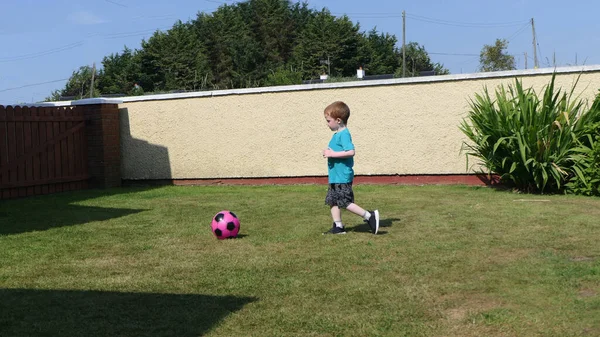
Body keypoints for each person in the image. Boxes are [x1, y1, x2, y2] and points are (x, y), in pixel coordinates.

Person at [321, 101, 379, 235]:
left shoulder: (344, 134)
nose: (327, 123)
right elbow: (337, 151)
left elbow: (351, 151)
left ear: (339, 120)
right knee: (332, 200)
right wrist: (328, 152)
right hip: (335, 176)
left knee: (345, 202)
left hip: (342, 176)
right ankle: (338, 227)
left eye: (328, 120)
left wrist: (332, 154)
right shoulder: (336, 135)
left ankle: (369, 216)